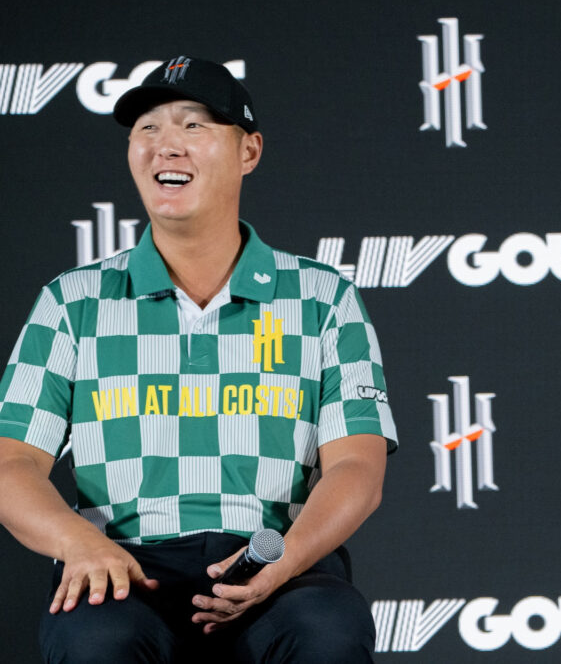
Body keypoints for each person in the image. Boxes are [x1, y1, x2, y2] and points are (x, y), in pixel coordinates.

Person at [0, 55, 397, 663]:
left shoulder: (322, 296)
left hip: (275, 566)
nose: (166, 147)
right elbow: (12, 463)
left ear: (249, 151)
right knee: (94, 638)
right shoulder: (72, 300)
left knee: (327, 628)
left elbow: (356, 470)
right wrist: (79, 543)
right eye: (148, 129)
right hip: (126, 572)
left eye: (193, 126)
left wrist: (282, 562)